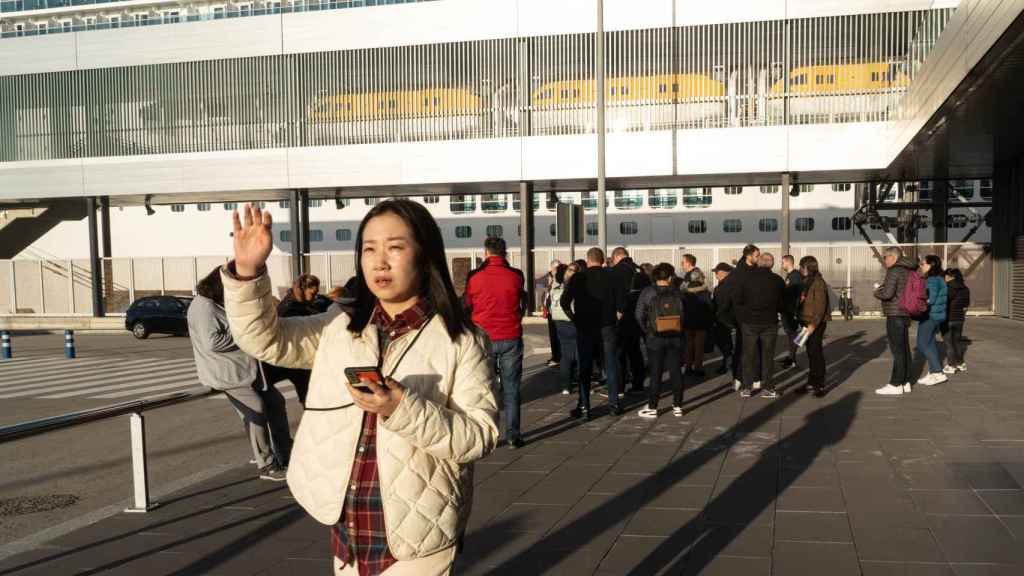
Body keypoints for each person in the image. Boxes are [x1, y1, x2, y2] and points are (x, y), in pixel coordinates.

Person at [223, 200, 498, 576]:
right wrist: (248, 271)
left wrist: (401, 408)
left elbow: (478, 437)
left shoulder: (462, 341)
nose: (379, 261)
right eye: (369, 249)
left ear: (425, 256)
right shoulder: (341, 328)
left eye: (395, 247)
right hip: (347, 531)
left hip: (418, 538)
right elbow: (265, 339)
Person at [187, 267, 291, 481]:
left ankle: (287, 455)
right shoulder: (204, 307)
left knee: (276, 402)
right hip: (228, 373)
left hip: (249, 370)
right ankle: (267, 464)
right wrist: (245, 334)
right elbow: (212, 342)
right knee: (256, 409)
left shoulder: (217, 303)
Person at [464, 236, 528, 448]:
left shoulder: (475, 277)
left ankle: (486, 435)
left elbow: (467, 305)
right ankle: (513, 434)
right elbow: (522, 301)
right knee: (512, 389)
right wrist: (516, 317)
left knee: (484, 388)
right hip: (511, 336)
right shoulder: (516, 276)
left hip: (484, 338)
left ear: (486, 253)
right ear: (505, 253)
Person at [561, 247, 624, 418]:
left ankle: (584, 406)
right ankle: (614, 404)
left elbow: (564, 302)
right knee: (610, 365)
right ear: (603, 260)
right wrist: (614, 319)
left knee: (585, 366)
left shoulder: (578, 277)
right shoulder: (612, 276)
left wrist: (574, 318)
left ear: (588, 261)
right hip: (607, 326)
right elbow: (621, 305)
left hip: (585, 327)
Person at [635, 263, 686, 419]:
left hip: (655, 338)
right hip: (675, 337)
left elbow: (638, 315)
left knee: (656, 373)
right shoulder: (677, 292)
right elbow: (683, 314)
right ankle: (677, 405)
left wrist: (647, 330)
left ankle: (653, 406)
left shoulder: (647, 292)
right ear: (670, 277)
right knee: (676, 371)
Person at [263, 273, 322, 406]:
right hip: (291, 357)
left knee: (307, 393)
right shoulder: (290, 307)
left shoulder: (298, 304)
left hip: (294, 357)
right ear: (302, 289)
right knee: (307, 394)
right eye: (312, 293)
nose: (314, 297)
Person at [734, 252, 785, 399]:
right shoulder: (777, 280)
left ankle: (746, 387)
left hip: (749, 322)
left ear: (758, 263)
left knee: (748, 354)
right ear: (772, 264)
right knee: (768, 356)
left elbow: (737, 299)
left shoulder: (746, 279)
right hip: (769, 322)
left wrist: (745, 313)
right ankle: (767, 387)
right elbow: (783, 303)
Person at [873, 247, 920, 396]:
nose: (884, 260)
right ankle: (906, 381)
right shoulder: (909, 269)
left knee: (897, 350)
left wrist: (877, 291)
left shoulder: (894, 270)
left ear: (893, 257)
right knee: (905, 348)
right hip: (906, 312)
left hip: (895, 313)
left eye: (885, 257)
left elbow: (887, 294)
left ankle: (896, 383)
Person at [610, 247, 649, 395]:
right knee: (635, 351)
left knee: (619, 353)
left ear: (616, 257)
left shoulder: (615, 272)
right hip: (639, 318)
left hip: (621, 317)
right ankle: (638, 384)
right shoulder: (641, 272)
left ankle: (619, 387)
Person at [728, 244, 762, 392]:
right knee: (742, 348)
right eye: (756, 255)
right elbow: (734, 296)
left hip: (754, 315)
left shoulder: (755, 271)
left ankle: (756, 377)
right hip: (743, 317)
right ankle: (738, 377)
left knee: (755, 347)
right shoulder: (739, 273)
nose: (758, 258)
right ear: (748, 256)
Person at [797, 256, 830, 396]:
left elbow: (820, 307)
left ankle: (820, 384)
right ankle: (811, 382)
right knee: (811, 353)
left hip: (815, 323)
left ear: (807, 267)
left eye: (801, 266)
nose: (800, 269)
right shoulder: (807, 281)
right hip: (806, 321)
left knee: (816, 353)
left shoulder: (818, 282)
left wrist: (813, 325)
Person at [916, 254, 948, 386]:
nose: (921, 266)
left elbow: (930, 299)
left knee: (922, 344)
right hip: (937, 316)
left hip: (930, 316)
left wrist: (917, 305)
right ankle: (934, 372)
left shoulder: (932, 280)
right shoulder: (939, 278)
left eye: (923, 264)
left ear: (931, 265)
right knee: (930, 343)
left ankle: (938, 373)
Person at [681, 264, 713, 378]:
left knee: (688, 345)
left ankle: (688, 366)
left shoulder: (685, 292)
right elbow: (709, 307)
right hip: (701, 323)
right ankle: (698, 367)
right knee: (699, 346)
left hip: (688, 322)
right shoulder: (705, 292)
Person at [550, 263, 577, 396]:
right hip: (572, 321)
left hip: (559, 321)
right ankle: (579, 380)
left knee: (565, 355)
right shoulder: (575, 288)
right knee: (577, 353)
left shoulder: (556, 287)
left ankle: (566, 386)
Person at [942, 267, 971, 374]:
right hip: (959, 319)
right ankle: (961, 363)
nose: (944, 277)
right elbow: (966, 306)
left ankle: (951, 365)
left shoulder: (947, 287)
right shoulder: (965, 289)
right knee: (957, 342)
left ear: (950, 276)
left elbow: (944, 303)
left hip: (948, 319)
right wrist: (961, 316)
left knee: (949, 343)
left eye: (945, 275)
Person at [711, 262, 736, 378]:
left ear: (723, 273)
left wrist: (717, 314)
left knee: (724, 342)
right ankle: (728, 363)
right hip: (726, 318)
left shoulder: (725, 286)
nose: (715, 275)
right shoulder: (730, 284)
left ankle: (729, 364)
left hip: (723, 319)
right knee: (724, 342)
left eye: (716, 272)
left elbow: (723, 304)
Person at [779, 255, 803, 369]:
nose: (782, 264)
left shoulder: (796, 276)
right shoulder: (790, 275)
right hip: (787, 311)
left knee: (793, 336)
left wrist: (795, 312)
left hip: (791, 311)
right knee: (790, 336)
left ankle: (792, 360)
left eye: (783, 262)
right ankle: (790, 357)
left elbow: (797, 295)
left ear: (788, 262)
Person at [543, 259, 563, 367]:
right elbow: (547, 294)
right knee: (553, 336)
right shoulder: (550, 279)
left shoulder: (559, 279)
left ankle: (558, 357)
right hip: (551, 311)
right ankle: (555, 355)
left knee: (557, 336)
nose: (557, 269)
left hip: (557, 312)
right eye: (556, 267)